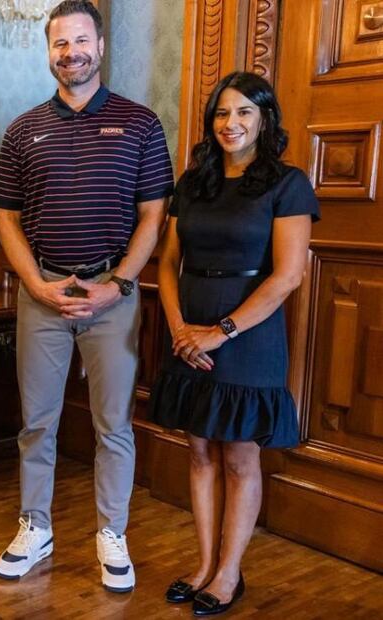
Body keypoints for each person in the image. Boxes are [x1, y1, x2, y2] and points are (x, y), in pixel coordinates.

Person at [0, 0, 174, 592]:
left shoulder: (141, 123)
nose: (70, 53)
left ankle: (111, 533)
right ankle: (35, 525)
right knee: (37, 424)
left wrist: (118, 283)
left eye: (80, 41)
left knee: (113, 426)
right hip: (43, 293)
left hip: (112, 296)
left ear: (100, 46)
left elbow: (153, 217)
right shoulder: (22, 129)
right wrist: (36, 284)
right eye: (59, 44)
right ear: (49, 52)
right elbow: (7, 220)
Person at [149, 71, 318, 616]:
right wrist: (179, 328)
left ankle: (229, 572)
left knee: (240, 457)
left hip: (247, 334)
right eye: (222, 112)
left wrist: (219, 333)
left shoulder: (287, 184)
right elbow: (169, 263)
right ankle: (203, 564)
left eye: (245, 111)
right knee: (198, 449)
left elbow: (288, 275)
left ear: (264, 118)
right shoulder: (193, 182)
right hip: (187, 329)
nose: (231, 123)